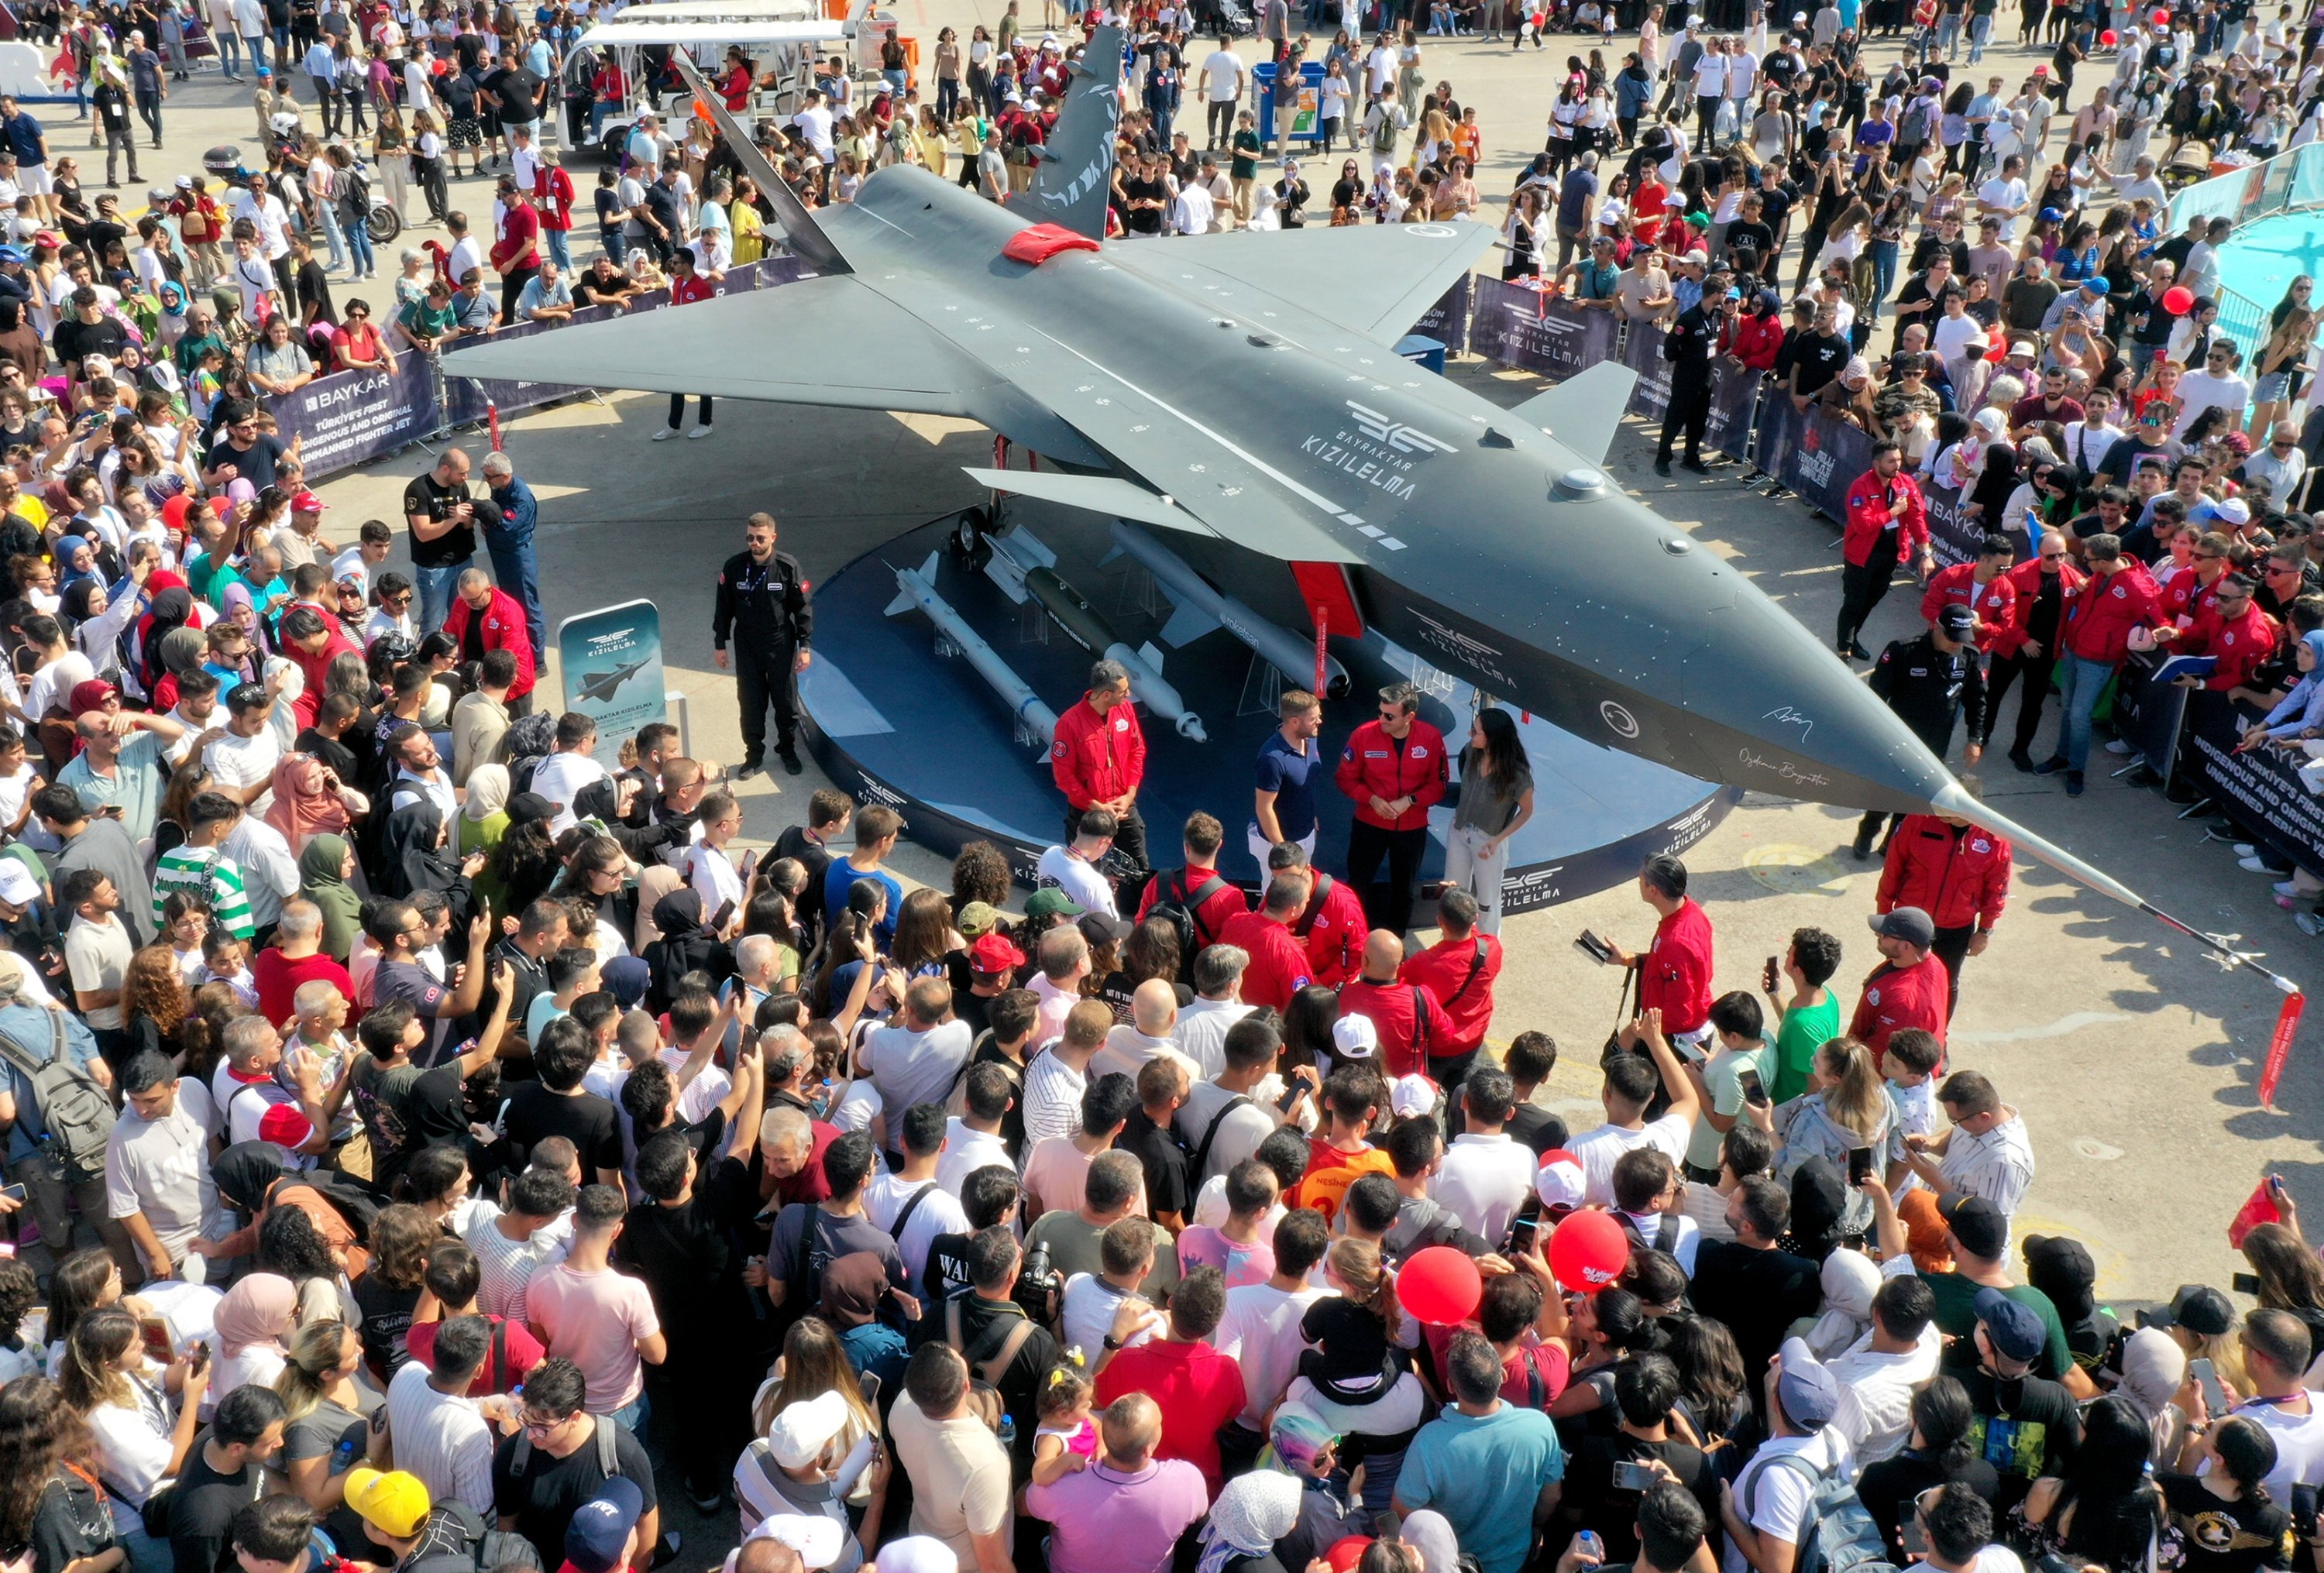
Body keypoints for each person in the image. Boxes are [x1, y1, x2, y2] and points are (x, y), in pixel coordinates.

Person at [1394, 1330, 1566, 1573]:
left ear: (1451, 1386)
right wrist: (1535, 1527)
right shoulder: (1540, 1426)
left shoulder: (1429, 1442)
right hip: (1516, 1560)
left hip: (1458, 1563)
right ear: (1503, 1375)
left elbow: (1403, 1510)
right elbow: (1552, 1496)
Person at [1851, 604, 1987, 859]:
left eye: (1962, 640)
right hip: (1900, 741)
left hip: (1935, 746)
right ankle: (1867, 833)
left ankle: (1892, 844)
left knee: (1914, 800)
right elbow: (1875, 698)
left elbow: (1977, 700)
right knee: (1886, 795)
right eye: (1952, 638)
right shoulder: (1903, 651)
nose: (1956, 644)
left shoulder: (1969, 656)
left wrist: (1974, 738)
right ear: (1937, 627)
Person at [1023, 1392, 1207, 1573]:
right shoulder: (1188, 1481)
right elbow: (1200, 1512)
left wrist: (1053, 1466)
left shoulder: (1063, 1486)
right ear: (1148, 1449)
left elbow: (1022, 1504)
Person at [1334, 681, 1447, 936]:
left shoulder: (1430, 738)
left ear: (1410, 717)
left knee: (1404, 888)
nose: (1381, 719)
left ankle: (1396, 941)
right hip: (1369, 824)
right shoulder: (1363, 735)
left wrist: (1410, 801)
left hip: (1412, 828)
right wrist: (1371, 799)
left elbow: (1438, 786)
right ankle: (1353, 937)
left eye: (1389, 716)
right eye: (1379, 712)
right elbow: (1345, 778)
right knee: (1358, 884)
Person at [711, 512, 813, 780]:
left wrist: (805, 646)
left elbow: (803, 609)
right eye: (749, 538)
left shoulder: (787, 567)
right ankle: (754, 755)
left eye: (760, 538)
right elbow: (723, 608)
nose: (754, 543)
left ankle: (787, 749)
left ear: (773, 538)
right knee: (751, 702)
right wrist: (720, 643)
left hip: (779, 642)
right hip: (747, 644)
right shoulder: (734, 567)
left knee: (786, 702)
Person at [1051, 659, 1149, 884]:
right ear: (1106, 694)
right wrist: (1096, 806)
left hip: (1123, 807)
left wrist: (1130, 794)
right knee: (1083, 875)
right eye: (1123, 691)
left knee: (1139, 868)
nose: (1128, 694)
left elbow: (1137, 751)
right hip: (1088, 813)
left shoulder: (1125, 711)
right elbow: (1064, 776)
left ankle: (1136, 913)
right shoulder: (1069, 723)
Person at [1838, 439, 1937, 662]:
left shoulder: (1905, 484)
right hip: (1862, 555)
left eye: (1899, 460)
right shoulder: (1860, 486)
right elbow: (1863, 525)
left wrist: (1926, 554)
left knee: (1871, 599)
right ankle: (1844, 648)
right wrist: (1892, 513)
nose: (1897, 465)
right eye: (1891, 461)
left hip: (1890, 554)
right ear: (1876, 463)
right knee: (1854, 602)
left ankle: (1852, 639)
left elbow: (1917, 519)